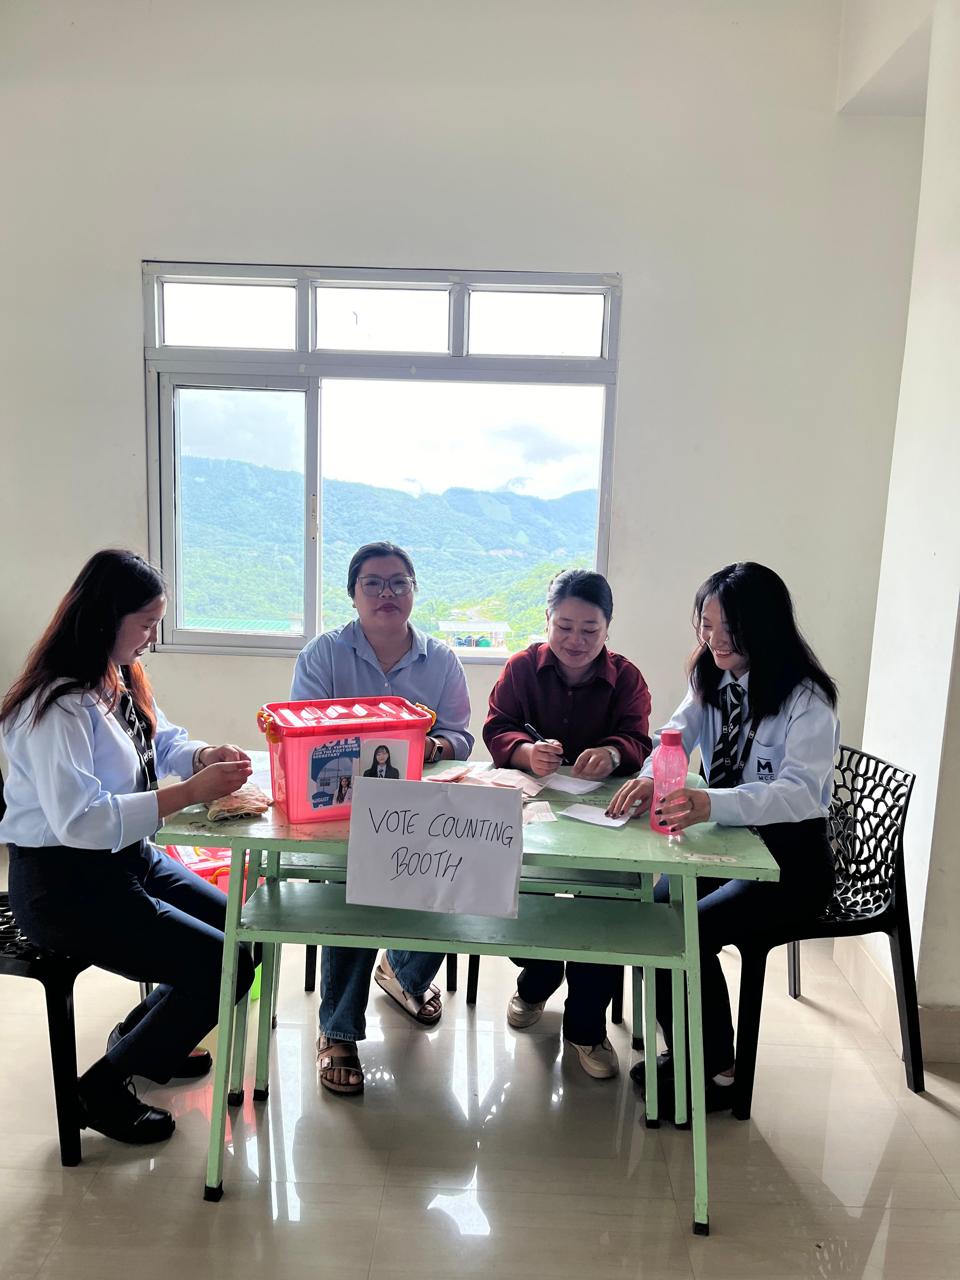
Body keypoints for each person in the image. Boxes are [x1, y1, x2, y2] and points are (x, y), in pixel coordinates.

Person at [0, 550, 255, 1145]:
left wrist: (201, 756)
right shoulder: (55, 706)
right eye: (145, 624)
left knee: (243, 934)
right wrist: (187, 793)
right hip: (64, 885)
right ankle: (101, 1090)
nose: (151, 638)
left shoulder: (115, 676)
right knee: (223, 965)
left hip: (129, 860)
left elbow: (159, 740)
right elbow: (80, 821)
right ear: (104, 617)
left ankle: (141, 1037)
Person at [607, 562, 839, 1114]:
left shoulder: (807, 697)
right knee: (656, 913)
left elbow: (801, 794)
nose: (715, 641)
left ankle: (716, 1070)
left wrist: (714, 802)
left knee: (692, 928)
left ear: (765, 626)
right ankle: (691, 1049)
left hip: (791, 860)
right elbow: (675, 733)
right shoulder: (710, 676)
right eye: (706, 626)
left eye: (729, 628)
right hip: (730, 844)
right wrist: (651, 777)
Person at [291, 540, 473, 1095]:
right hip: (341, 811)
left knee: (466, 870)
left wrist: (432, 747)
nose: (386, 593)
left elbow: (461, 737)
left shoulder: (441, 659)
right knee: (359, 887)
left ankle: (404, 972)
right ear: (353, 594)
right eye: (373, 583)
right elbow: (303, 730)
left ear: (414, 591)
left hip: (419, 810)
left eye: (399, 583)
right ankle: (338, 1031)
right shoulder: (323, 655)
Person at [483, 568, 652, 1079]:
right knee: (521, 892)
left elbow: (639, 740)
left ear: (608, 629)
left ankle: (586, 1026)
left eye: (589, 630)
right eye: (564, 627)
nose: (575, 641)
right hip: (534, 817)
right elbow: (496, 727)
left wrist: (611, 752)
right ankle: (536, 981)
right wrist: (525, 752)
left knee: (603, 910)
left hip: (603, 822)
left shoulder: (626, 678)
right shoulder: (521, 668)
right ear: (547, 620)